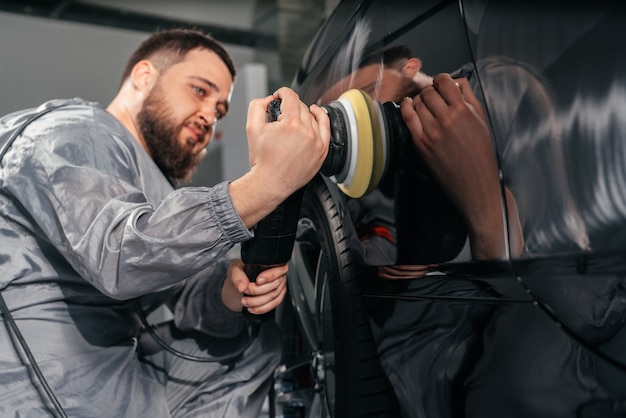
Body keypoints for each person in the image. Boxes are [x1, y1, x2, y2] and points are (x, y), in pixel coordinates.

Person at [0, 28, 330, 417]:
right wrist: (264, 185)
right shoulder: (73, 131)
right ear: (144, 76)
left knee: (253, 346)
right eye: (200, 90)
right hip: (34, 386)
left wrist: (229, 289)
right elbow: (119, 253)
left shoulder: (150, 183)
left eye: (220, 110)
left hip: (111, 375)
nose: (210, 115)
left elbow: (178, 285)